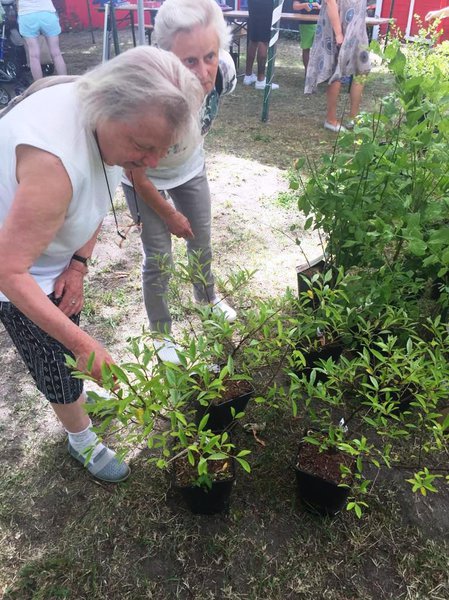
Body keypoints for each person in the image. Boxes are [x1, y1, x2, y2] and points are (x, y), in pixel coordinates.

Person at [0, 46, 203, 482]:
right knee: (53, 356)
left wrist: (77, 264)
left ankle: (73, 396)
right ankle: (81, 440)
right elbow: (9, 271)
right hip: (16, 271)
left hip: (48, 251)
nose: (148, 163)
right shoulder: (54, 164)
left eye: (159, 151)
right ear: (107, 109)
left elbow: (101, 189)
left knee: (66, 340)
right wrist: (83, 344)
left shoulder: (110, 127)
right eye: (143, 147)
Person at [122, 0, 238, 364]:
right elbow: (134, 171)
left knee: (201, 239)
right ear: (165, 56)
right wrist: (168, 214)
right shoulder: (145, 98)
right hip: (144, 177)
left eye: (210, 55)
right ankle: (161, 333)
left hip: (190, 167)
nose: (203, 71)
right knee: (158, 257)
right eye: (189, 61)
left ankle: (207, 297)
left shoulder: (224, 75)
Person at [304, 0, 371, 132]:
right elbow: (330, 2)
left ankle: (354, 118)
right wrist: (338, 33)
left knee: (361, 69)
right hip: (337, 25)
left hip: (357, 25)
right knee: (337, 69)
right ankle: (330, 119)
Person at [17, 0, 67, 81]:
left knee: (34, 56)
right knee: (56, 53)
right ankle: (65, 82)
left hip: (26, 14)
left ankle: (39, 86)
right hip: (47, 12)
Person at [243, 0, 279, 89]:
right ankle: (261, 80)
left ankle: (248, 75)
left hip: (253, 4)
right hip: (265, 4)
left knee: (254, 38)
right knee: (263, 40)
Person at [293, 1, 321, 78]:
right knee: (306, 48)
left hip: (321, 23)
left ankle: (319, 72)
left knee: (320, 49)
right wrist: (304, 5)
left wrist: (319, 7)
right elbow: (295, 6)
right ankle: (308, 73)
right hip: (305, 24)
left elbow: (330, 5)